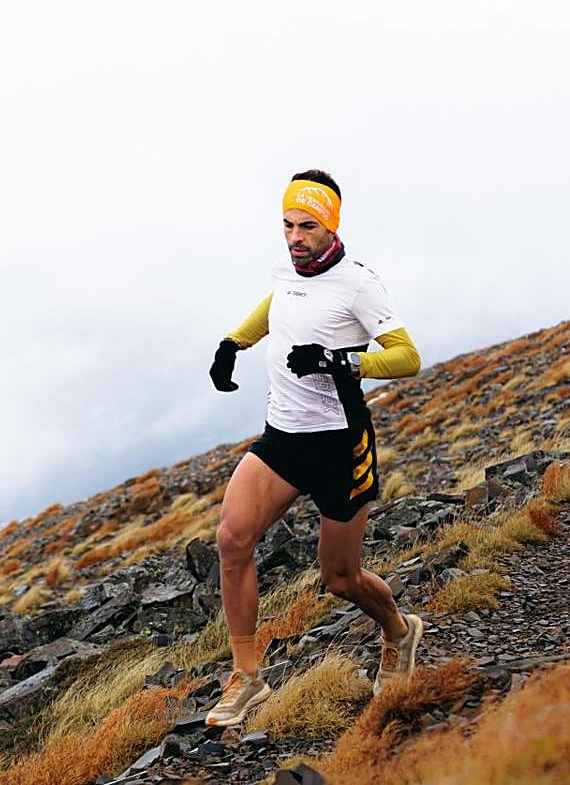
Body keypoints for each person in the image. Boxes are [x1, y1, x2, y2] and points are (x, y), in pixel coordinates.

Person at [204, 169, 424, 727]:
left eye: (307, 226)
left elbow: (406, 357)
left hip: (340, 445)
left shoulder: (358, 283)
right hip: (283, 439)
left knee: (340, 579)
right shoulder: (291, 271)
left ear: (331, 227)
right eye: (287, 225)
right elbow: (278, 303)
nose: (294, 237)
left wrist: (341, 362)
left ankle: (398, 631)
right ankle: (248, 678)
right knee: (231, 540)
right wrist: (234, 342)